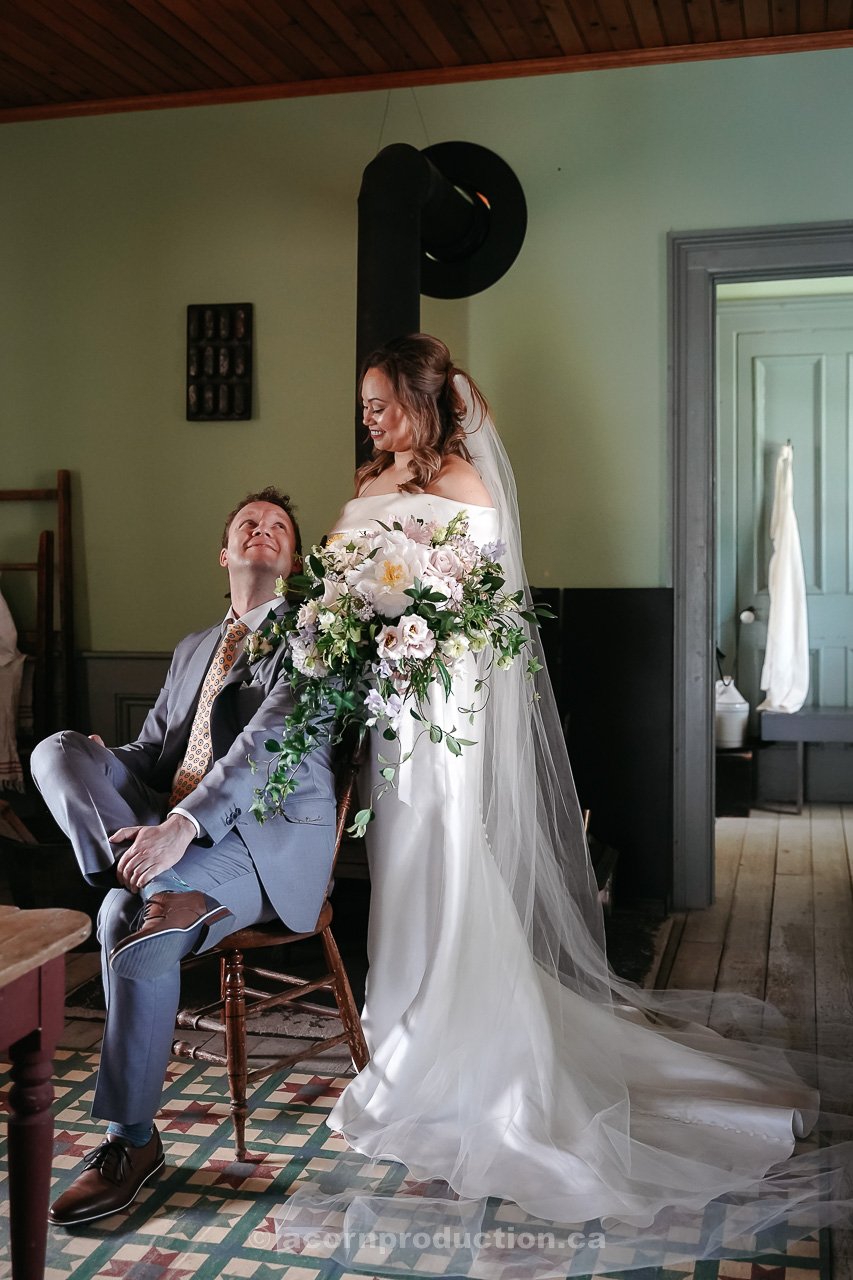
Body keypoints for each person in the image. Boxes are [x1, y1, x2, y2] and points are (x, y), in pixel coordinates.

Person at [281, 336, 852, 1275]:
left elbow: (477, 611)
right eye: (365, 404)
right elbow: (353, 585)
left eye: (381, 402)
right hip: (388, 713)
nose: (369, 418)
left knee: (441, 855)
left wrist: (407, 631)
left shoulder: (465, 483)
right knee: (398, 864)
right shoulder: (370, 477)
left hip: (440, 707)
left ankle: (451, 1043)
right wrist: (345, 628)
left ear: (423, 402)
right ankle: (400, 1037)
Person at [31, 487, 337, 1227]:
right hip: (167, 838)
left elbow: (260, 753)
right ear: (225, 554)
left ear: (290, 562)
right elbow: (158, 751)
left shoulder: (314, 640)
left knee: (120, 915)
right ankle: (149, 882)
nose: (262, 532)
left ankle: (130, 1142)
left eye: (278, 529)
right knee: (58, 750)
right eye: (247, 525)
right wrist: (112, 763)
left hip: (258, 843)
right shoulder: (194, 647)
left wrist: (181, 829)